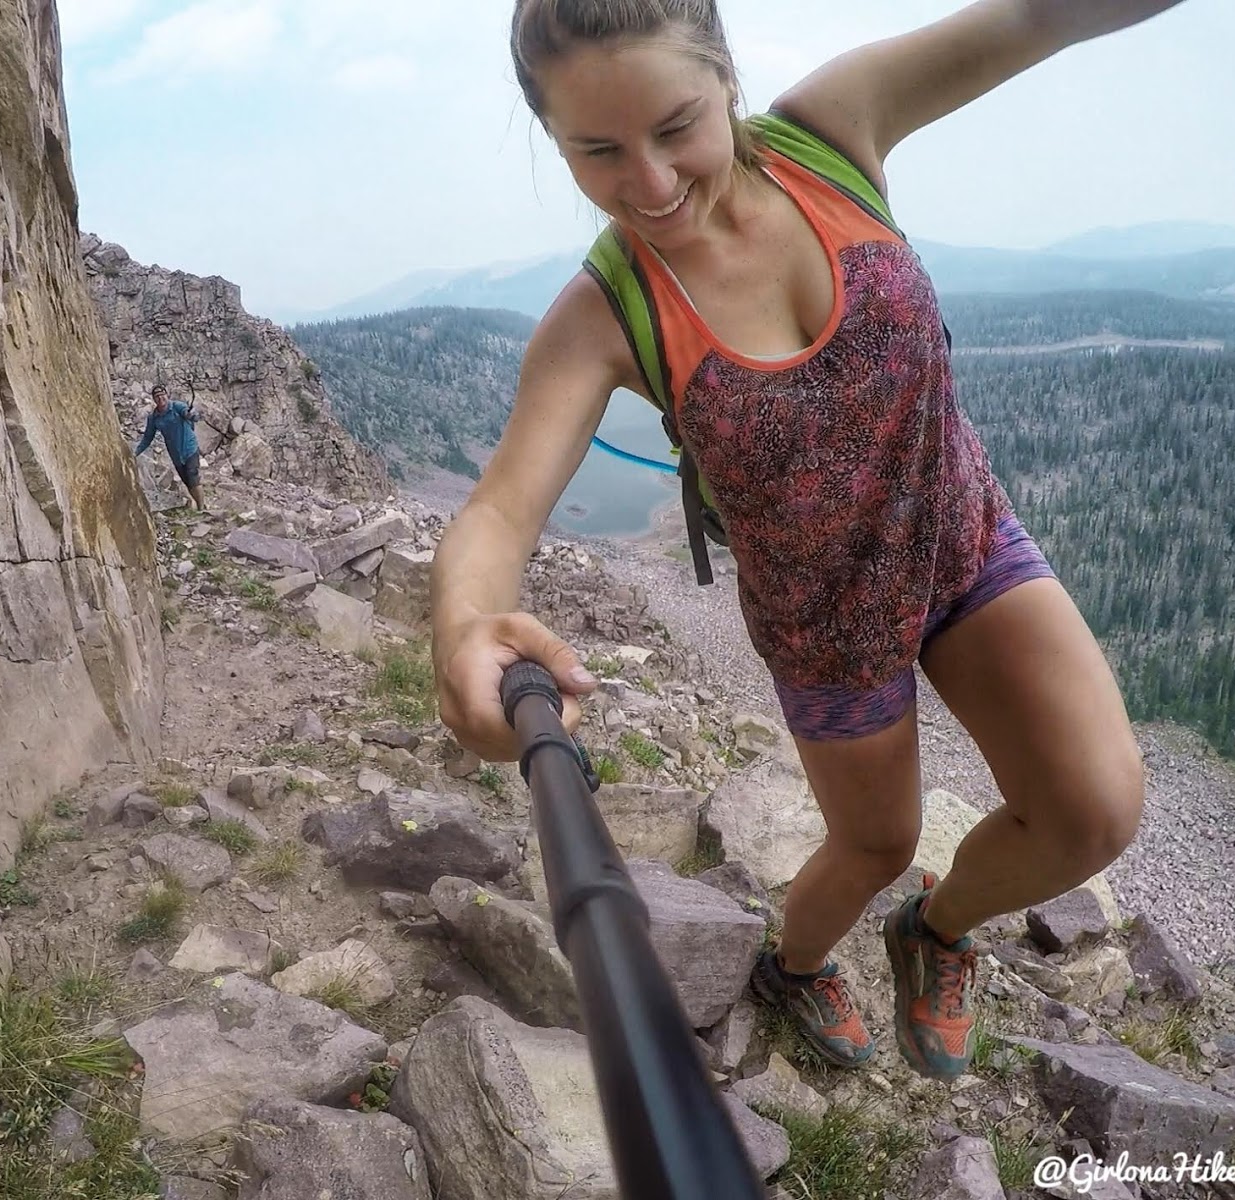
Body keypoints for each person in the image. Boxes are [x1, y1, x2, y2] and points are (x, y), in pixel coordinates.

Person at [430, 0, 1179, 1082]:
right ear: (553, 140)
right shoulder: (605, 314)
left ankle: (934, 929)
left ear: (726, 77)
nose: (648, 183)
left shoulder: (831, 135)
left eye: (675, 126)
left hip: (961, 536)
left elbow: (1037, 16)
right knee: (872, 843)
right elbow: (499, 510)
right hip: (826, 627)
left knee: (1096, 809)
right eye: (595, 151)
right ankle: (794, 962)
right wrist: (462, 627)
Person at [134, 383, 206, 511]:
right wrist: (135, 453)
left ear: (167, 395)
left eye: (162, 395)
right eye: (157, 396)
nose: (160, 398)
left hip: (189, 448)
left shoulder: (177, 406)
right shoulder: (154, 418)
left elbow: (189, 414)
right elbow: (147, 438)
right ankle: (199, 505)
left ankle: (202, 509)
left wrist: (191, 415)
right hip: (176, 455)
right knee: (187, 482)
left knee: (193, 477)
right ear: (154, 399)